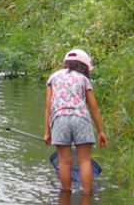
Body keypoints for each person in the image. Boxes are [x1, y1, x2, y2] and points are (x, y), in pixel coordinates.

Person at [44, 49, 108, 195]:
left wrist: (47, 132)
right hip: (81, 119)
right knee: (85, 161)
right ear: (83, 66)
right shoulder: (84, 80)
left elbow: (48, 108)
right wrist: (101, 132)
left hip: (60, 120)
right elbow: (94, 108)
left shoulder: (53, 78)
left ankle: (65, 196)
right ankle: (87, 198)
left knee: (64, 162)